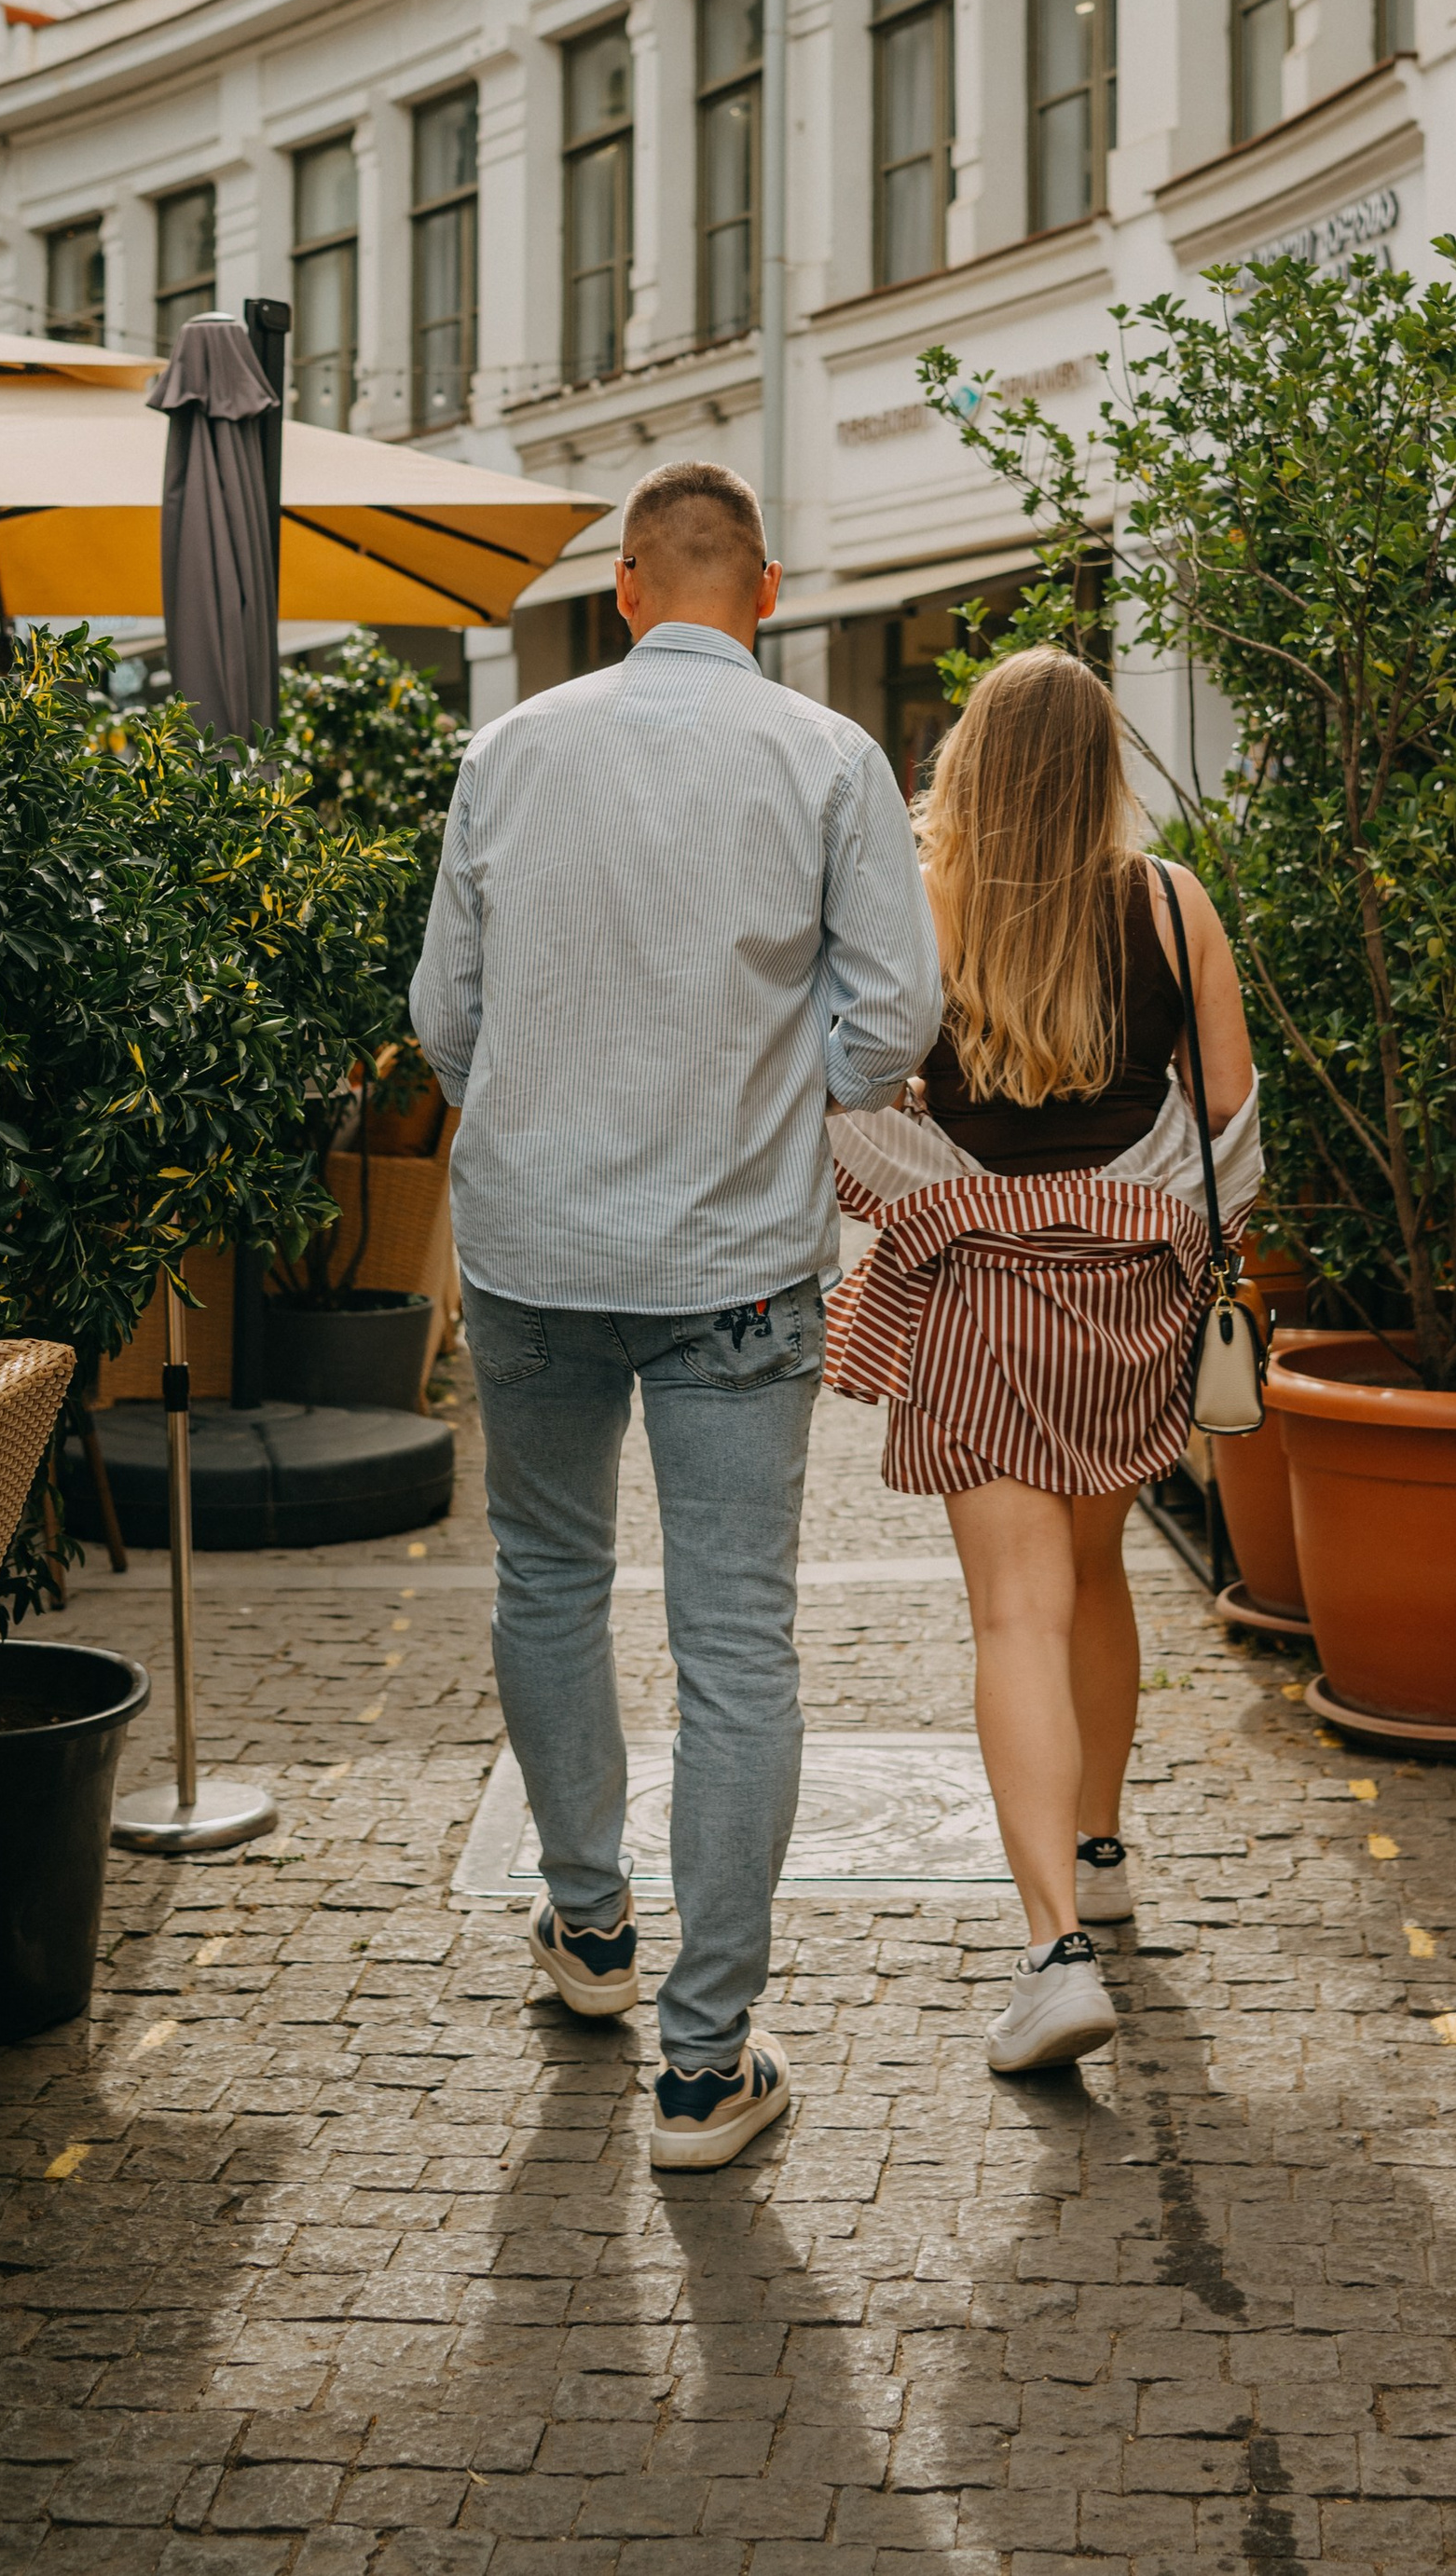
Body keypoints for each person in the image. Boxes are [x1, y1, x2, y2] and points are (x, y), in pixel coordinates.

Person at [411, 459, 941, 2170]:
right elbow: (889, 1029)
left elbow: (444, 1018)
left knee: (549, 1582)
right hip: (735, 1260)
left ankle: (587, 1931)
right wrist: (775, 1082)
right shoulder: (828, 758)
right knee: (737, 1648)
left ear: (627, 589)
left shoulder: (508, 752)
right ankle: (706, 2073)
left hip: (532, 1250)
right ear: (763, 592)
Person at [825, 647, 1258, 2075]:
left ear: (970, 762)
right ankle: (1103, 1847)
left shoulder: (921, 900)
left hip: (980, 1305)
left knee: (1014, 1612)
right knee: (1091, 1576)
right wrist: (1139, 1219)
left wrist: (947, 1197)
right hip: (1128, 1303)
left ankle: (1054, 1944)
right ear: (1103, 765)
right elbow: (1230, 1134)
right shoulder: (1170, 902)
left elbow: (843, 1102)